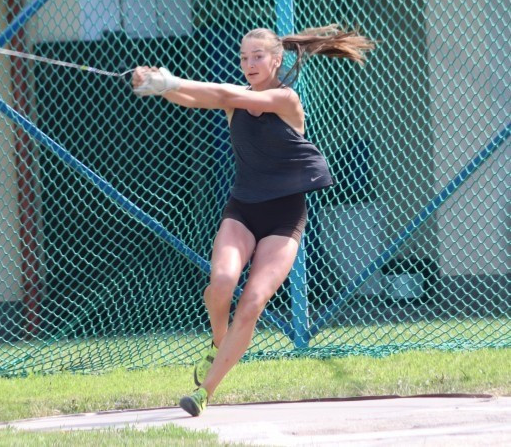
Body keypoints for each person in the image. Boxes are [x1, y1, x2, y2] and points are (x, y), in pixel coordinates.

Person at [131, 25, 375, 417]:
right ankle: (219, 342)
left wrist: (169, 80)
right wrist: (158, 86)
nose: (249, 63)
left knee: (253, 302)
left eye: (257, 56)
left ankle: (204, 392)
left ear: (276, 59)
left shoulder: (286, 99)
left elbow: (227, 95)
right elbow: (200, 98)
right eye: (244, 57)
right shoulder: (235, 99)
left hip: (284, 217)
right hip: (243, 210)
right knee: (222, 283)